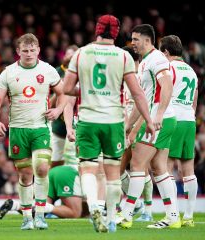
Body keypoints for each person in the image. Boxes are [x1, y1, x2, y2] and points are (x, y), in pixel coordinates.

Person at [63, 15, 155, 233]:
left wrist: (86, 90)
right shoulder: (123, 56)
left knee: (87, 167)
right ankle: (112, 218)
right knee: (113, 172)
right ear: (116, 32)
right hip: (113, 121)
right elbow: (138, 94)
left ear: (97, 30)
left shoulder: (81, 53)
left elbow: (67, 89)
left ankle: (94, 205)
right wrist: (149, 121)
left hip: (87, 120)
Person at [0, 33, 66, 230]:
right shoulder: (8, 72)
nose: (29, 53)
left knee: (41, 168)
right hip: (18, 130)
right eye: (25, 50)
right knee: (25, 175)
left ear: (38, 50)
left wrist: (58, 110)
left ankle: (40, 215)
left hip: (41, 128)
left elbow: (63, 93)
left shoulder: (48, 70)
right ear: (18, 52)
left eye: (32, 50)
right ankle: (27, 218)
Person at [120, 24, 180, 229]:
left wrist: (159, 115)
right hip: (159, 118)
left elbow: (168, 85)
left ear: (147, 40)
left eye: (135, 39)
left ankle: (126, 215)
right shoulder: (146, 62)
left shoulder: (156, 59)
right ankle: (173, 217)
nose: (132, 43)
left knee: (137, 164)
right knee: (159, 168)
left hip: (157, 120)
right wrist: (128, 126)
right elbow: (142, 100)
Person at [161, 35, 198, 227]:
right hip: (189, 121)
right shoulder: (191, 71)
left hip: (173, 119)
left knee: (164, 167)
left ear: (166, 52)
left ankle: (172, 215)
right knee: (188, 170)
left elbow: (164, 94)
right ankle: (189, 217)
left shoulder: (168, 68)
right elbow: (194, 100)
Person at [119, 46, 154, 222]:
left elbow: (144, 107)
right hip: (125, 128)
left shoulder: (140, 77)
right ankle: (138, 204)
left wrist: (133, 131)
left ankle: (147, 209)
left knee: (141, 168)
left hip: (138, 128)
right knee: (119, 169)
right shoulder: (124, 77)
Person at [0, 164, 83, 219]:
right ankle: (44, 206)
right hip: (68, 174)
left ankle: (15, 205)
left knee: (39, 215)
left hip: (55, 171)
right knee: (74, 213)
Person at [50, 45, 78, 168]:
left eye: (73, 56)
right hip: (58, 126)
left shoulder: (82, 74)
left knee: (74, 163)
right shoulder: (56, 72)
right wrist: (61, 90)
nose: (70, 58)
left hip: (76, 126)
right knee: (55, 161)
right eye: (68, 55)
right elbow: (49, 104)